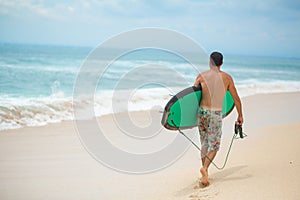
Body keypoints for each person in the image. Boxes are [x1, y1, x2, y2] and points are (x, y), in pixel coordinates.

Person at [194, 52, 243, 186]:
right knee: (214, 145)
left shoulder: (201, 76)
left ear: (210, 62)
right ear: (222, 63)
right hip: (215, 113)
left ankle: (205, 174)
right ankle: (205, 168)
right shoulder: (227, 78)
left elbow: (193, 97)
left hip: (202, 112)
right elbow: (236, 99)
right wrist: (240, 115)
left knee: (204, 142)